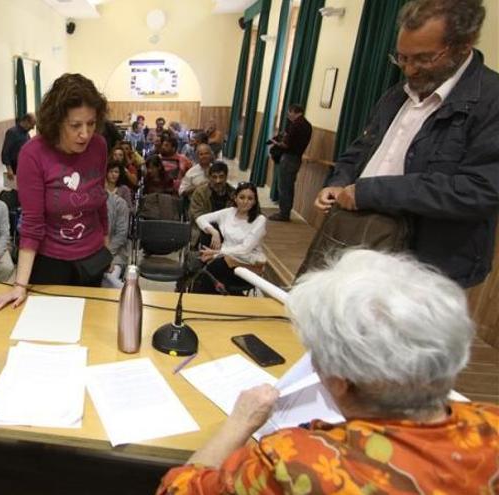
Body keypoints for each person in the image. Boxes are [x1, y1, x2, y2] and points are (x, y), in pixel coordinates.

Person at [158, 249, 499, 494]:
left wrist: (240, 422)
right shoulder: (492, 425)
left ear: (338, 381)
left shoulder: (297, 461)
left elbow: (176, 490)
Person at [313, 0, 498, 288]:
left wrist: (371, 192)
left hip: (427, 269)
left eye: (424, 59)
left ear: (464, 44)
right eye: (402, 58)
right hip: (364, 245)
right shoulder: (396, 95)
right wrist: (339, 180)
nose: (410, 70)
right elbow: (361, 149)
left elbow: (480, 191)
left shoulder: (491, 102)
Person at [0, 73, 110, 311]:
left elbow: (100, 199)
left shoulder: (99, 146)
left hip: (92, 257)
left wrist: (105, 242)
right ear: (56, 122)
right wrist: (20, 285)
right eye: (75, 125)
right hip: (50, 260)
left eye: (91, 123)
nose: (85, 134)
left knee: (89, 327)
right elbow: (32, 222)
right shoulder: (33, 154)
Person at [191, 182, 266, 294]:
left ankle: (198, 303)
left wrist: (217, 252)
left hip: (247, 262)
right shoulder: (228, 213)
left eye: (250, 198)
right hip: (224, 259)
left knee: (210, 272)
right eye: (242, 197)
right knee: (199, 269)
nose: (245, 201)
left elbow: (245, 249)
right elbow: (200, 219)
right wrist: (214, 232)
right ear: (235, 198)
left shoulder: (260, 220)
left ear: (255, 201)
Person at [268, 104, 312, 222]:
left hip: (289, 158)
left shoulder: (296, 125)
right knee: (289, 186)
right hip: (297, 158)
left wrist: (275, 142)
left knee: (284, 186)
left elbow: (286, 144)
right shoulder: (308, 125)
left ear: (294, 112)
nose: (288, 116)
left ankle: (284, 213)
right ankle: (285, 212)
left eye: (289, 113)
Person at [103, 192, 130, 288]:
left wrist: (105, 256)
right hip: (90, 255)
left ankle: (127, 292)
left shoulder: (119, 203)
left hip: (115, 254)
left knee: (107, 281)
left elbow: (121, 235)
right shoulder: (84, 203)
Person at [0, 113, 36, 180]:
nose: (33, 128)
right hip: (15, 166)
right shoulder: (12, 132)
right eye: (32, 125)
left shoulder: (27, 134)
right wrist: (9, 169)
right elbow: (5, 152)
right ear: (26, 121)